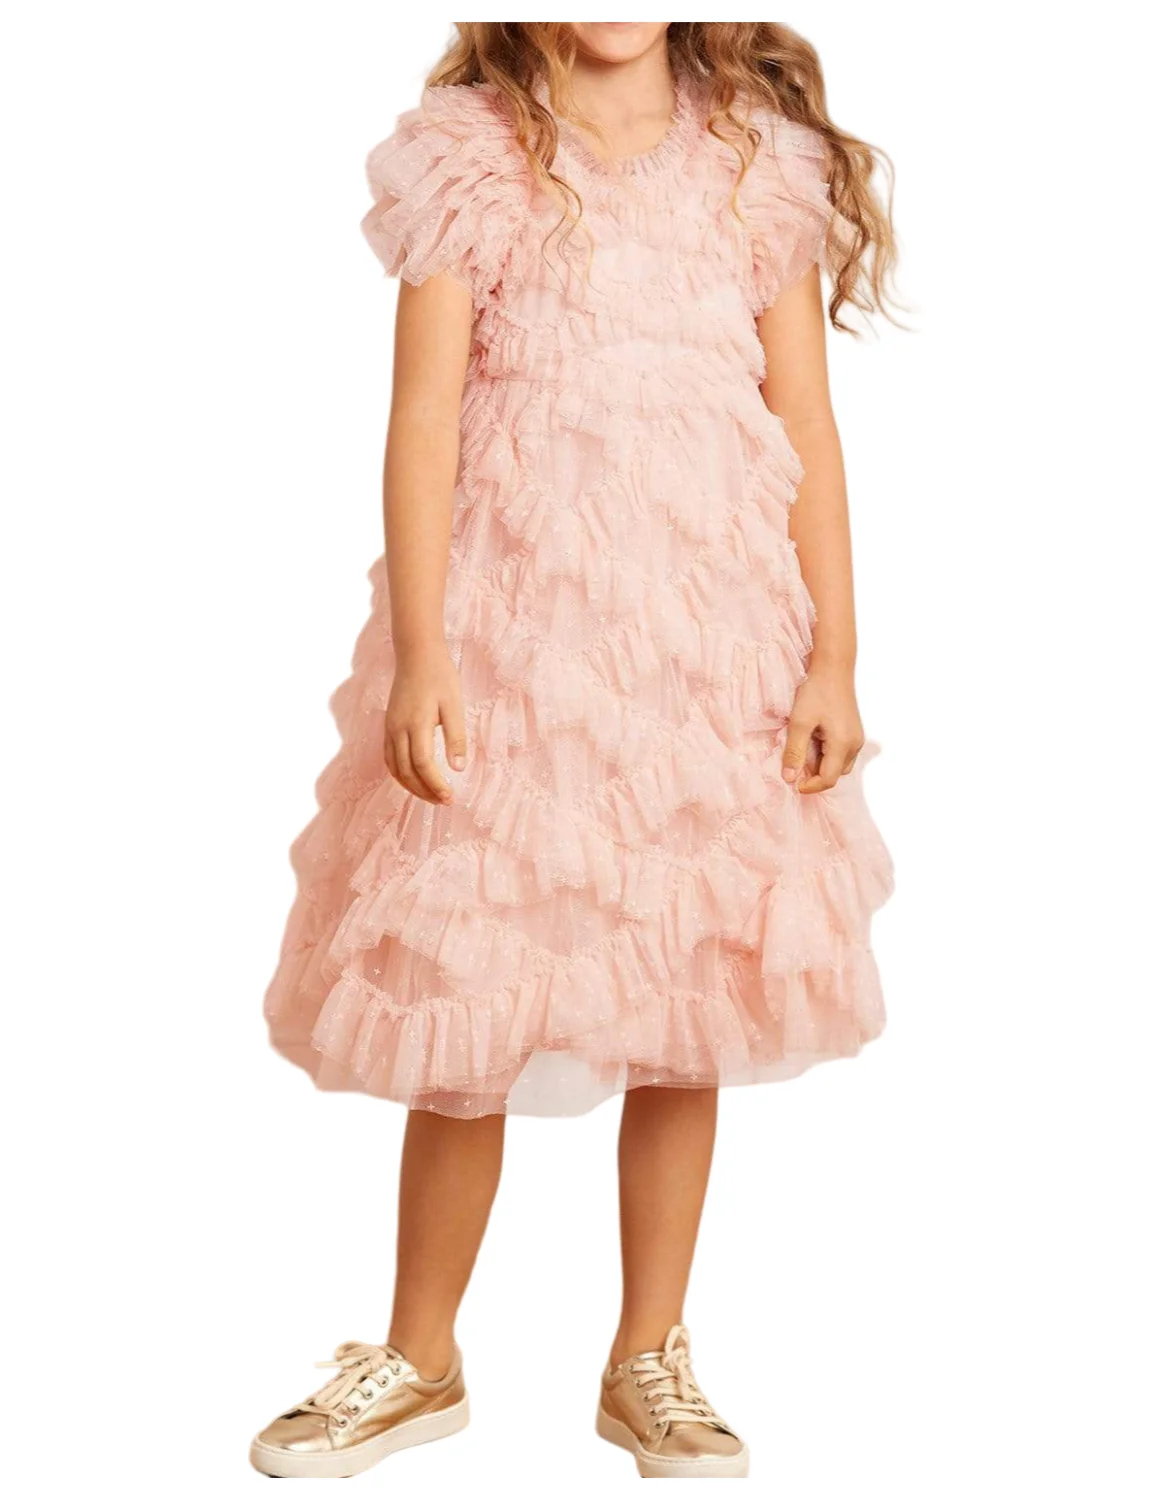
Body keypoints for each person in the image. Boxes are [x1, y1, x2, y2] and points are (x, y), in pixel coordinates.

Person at [254, 20, 896, 1480]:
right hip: (515, 630)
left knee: (690, 981)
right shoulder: (468, 157)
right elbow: (424, 416)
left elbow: (805, 418)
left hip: (708, 635)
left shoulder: (757, 162)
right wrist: (424, 651)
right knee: (467, 985)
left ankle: (647, 1355)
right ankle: (420, 1355)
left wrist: (835, 655)